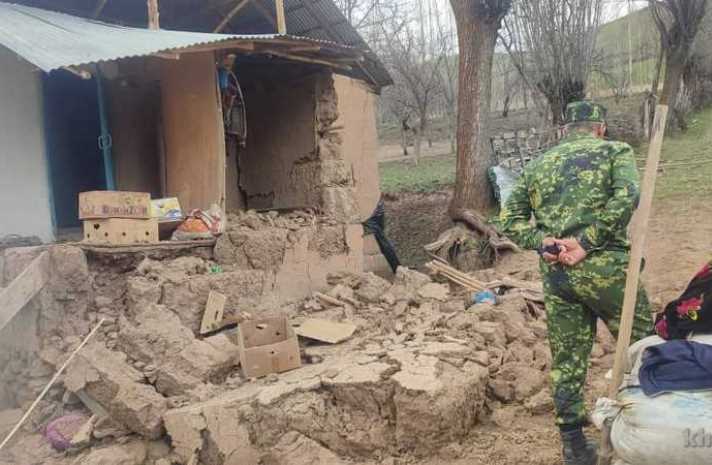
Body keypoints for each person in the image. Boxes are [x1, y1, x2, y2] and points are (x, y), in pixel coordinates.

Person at [498, 101, 652, 465]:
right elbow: (627, 197)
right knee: (644, 345)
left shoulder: (538, 164)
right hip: (607, 271)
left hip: (558, 276)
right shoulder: (615, 151)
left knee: (568, 358)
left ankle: (573, 444)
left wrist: (544, 243)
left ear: (566, 129)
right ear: (600, 128)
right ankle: (648, 428)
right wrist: (586, 242)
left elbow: (509, 219)